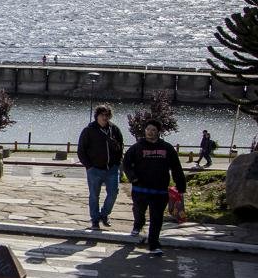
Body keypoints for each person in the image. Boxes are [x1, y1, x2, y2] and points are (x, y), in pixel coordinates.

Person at [122, 120, 186, 256]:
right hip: (140, 189)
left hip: (159, 190)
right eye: (148, 129)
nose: (150, 132)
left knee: (157, 218)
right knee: (139, 211)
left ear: (158, 132)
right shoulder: (137, 147)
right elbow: (126, 164)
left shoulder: (167, 148)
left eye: (153, 130)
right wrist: (133, 178)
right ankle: (138, 224)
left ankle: (154, 244)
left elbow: (176, 167)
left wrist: (180, 185)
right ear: (145, 131)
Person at [76, 104, 125, 230]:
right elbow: (81, 150)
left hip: (112, 169)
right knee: (94, 195)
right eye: (102, 115)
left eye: (107, 115)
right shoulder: (88, 130)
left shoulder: (114, 129)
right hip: (94, 169)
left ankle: (104, 214)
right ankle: (95, 220)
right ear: (97, 116)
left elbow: (121, 146)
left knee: (113, 193)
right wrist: (89, 166)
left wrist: (117, 162)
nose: (104, 117)